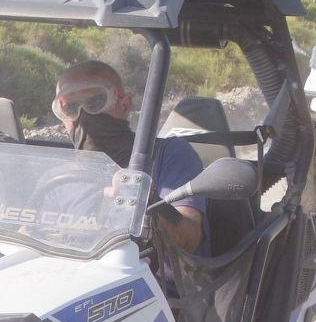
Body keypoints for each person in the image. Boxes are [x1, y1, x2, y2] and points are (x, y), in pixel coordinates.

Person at [51, 60, 207, 254]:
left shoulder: (168, 154)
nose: (83, 116)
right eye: (70, 108)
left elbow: (190, 239)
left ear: (124, 105)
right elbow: (27, 236)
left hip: (149, 271)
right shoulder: (58, 178)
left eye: (95, 102)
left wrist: (148, 199)